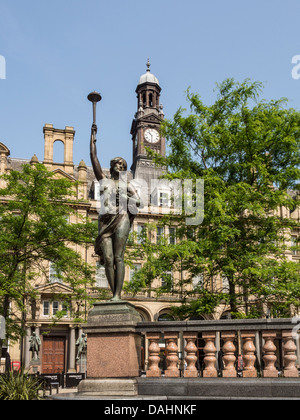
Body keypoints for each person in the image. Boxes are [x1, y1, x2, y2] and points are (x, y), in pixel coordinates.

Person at [90, 123, 142, 301]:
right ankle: (113, 293)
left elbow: (138, 203)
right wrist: (93, 137)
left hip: (122, 219)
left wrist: (126, 199)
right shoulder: (104, 180)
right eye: (118, 164)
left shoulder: (126, 185)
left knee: (119, 257)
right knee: (108, 258)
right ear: (112, 166)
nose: (120, 166)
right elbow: (93, 158)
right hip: (105, 221)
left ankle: (117, 296)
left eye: (123, 165)